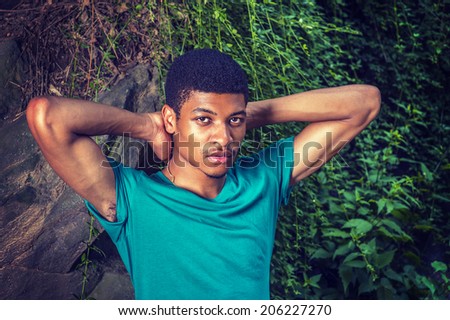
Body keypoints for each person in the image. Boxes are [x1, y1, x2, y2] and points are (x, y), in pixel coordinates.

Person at [26, 48, 381, 299]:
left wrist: (245, 112)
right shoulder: (130, 199)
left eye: (234, 123)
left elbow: (364, 103)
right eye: (203, 120)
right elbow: (47, 116)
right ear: (171, 119)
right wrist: (145, 127)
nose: (223, 138)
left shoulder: (266, 180)